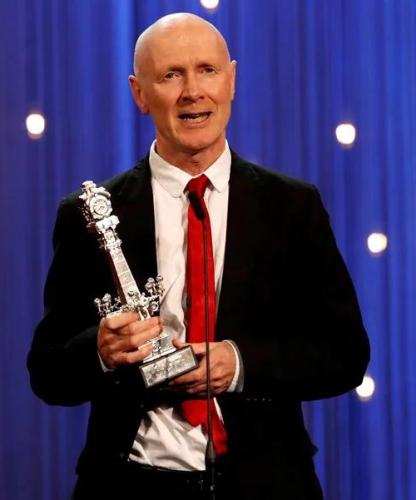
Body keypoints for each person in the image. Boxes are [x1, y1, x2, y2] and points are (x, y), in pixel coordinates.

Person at [27, 12, 369, 500]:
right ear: (139, 93)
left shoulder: (293, 206)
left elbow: (345, 354)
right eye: (171, 75)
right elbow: (47, 373)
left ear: (231, 80)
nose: (192, 92)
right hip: (129, 486)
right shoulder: (89, 213)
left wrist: (240, 363)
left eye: (207, 70)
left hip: (266, 485)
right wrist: (100, 352)